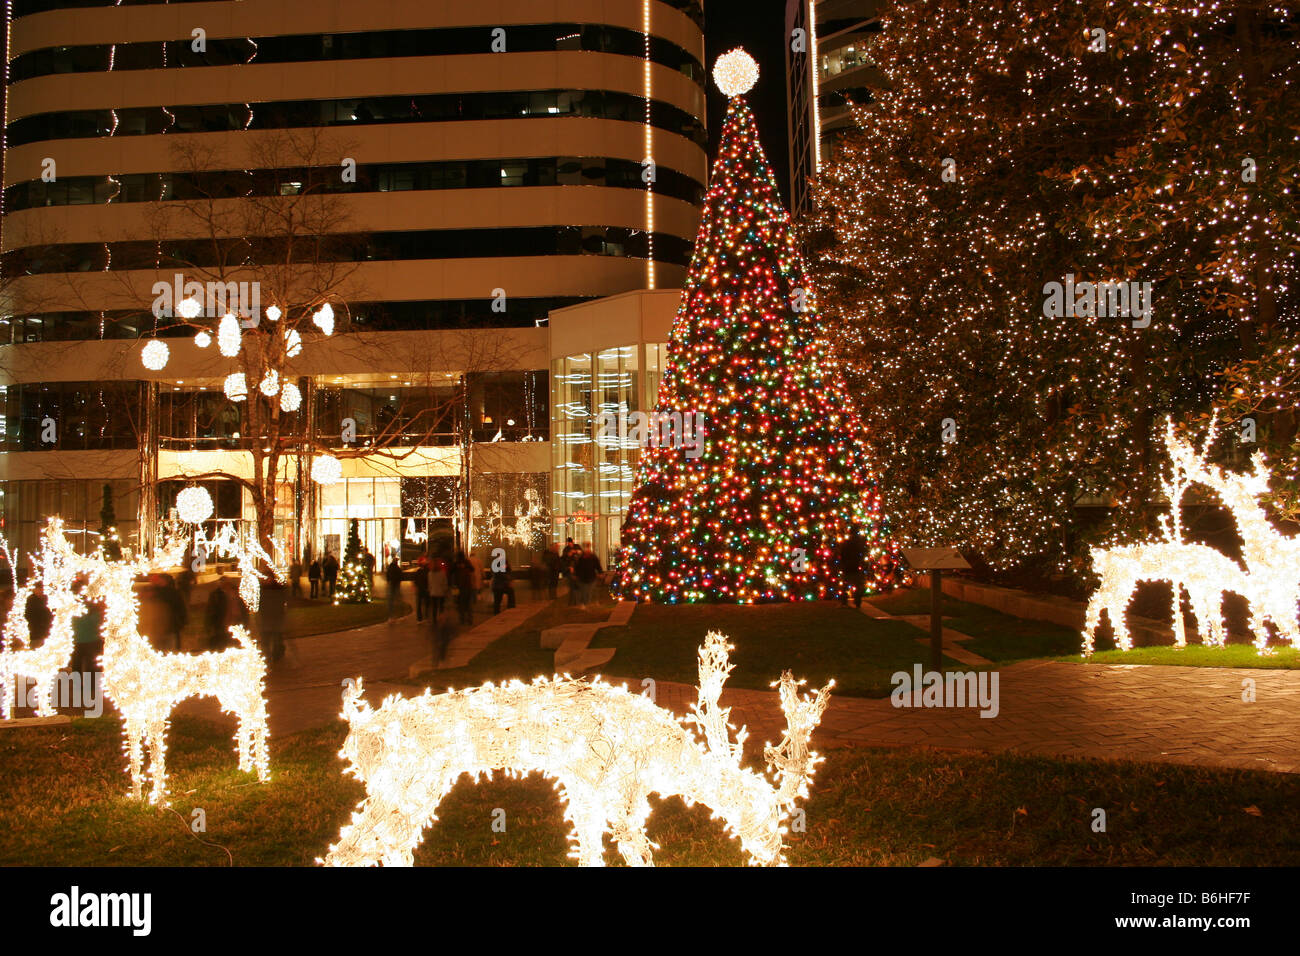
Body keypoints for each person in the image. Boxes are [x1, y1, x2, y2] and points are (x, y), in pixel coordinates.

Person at [156, 574, 187, 650]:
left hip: (169, 625)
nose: (158, 582)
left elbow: (180, 608)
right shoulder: (173, 593)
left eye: (160, 580)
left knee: (168, 647)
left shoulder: (164, 593)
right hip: (170, 626)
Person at [839, 526, 866, 609]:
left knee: (845, 585)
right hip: (855, 566)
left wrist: (843, 563)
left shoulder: (847, 543)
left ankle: (844, 601)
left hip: (847, 566)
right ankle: (857, 602)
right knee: (857, 585)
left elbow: (842, 554)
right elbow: (861, 554)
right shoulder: (859, 543)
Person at [574, 543, 603, 608]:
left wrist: (600, 572)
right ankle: (584, 603)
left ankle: (586, 603)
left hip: (591, 577)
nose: (587, 549)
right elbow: (577, 567)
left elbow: (597, 565)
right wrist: (576, 575)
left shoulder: (593, 557)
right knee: (584, 591)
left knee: (588, 591)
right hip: (583, 577)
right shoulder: (581, 557)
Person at [453, 551, 477, 626]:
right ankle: (469, 619)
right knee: (468, 604)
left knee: (460, 604)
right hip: (467, 586)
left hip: (459, 587)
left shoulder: (456, 564)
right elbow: (472, 569)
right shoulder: (467, 563)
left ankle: (462, 619)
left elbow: (452, 573)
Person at [561, 538, 579, 606]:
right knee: (572, 587)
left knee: (576, 587)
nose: (569, 544)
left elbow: (580, 554)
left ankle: (575, 601)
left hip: (576, 570)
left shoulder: (577, 547)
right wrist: (568, 555)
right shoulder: (566, 550)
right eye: (568, 543)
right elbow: (563, 559)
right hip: (570, 571)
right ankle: (573, 602)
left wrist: (576, 552)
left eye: (570, 542)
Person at [413, 556, 431, 622]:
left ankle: (424, 617)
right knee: (421, 604)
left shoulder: (425, 571)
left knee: (425, 604)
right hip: (422, 589)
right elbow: (416, 581)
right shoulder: (420, 571)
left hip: (424, 589)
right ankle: (421, 618)